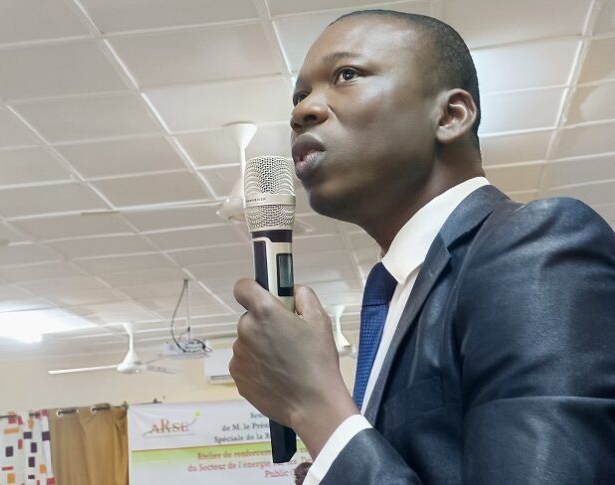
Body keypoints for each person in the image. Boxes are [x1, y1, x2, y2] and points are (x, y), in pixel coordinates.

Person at [229, 9, 615, 485]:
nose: (301, 111)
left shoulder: (537, 246)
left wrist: (315, 408)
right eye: (299, 96)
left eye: (346, 75)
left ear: (450, 115)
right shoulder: (399, 293)